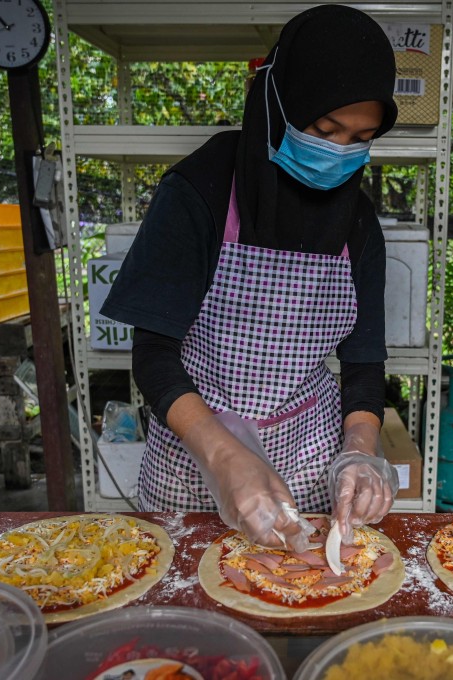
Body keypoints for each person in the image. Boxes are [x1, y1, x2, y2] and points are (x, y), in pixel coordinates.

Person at [101, 4, 399, 552]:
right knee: (187, 617)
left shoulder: (357, 221)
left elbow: (363, 363)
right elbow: (154, 355)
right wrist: (224, 456)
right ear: (279, 101)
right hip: (196, 452)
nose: (338, 152)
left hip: (308, 457)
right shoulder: (200, 190)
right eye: (324, 128)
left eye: (360, 138)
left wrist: (359, 448)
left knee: (298, 594)